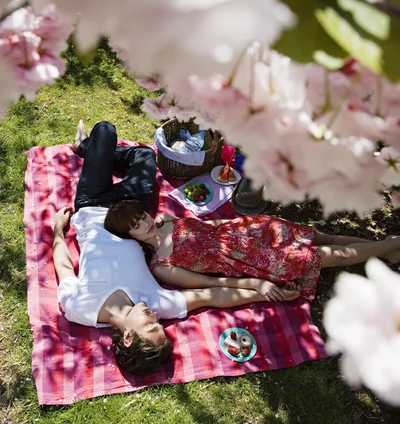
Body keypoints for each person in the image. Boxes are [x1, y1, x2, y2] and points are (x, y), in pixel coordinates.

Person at [53, 121, 301, 376]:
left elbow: (63, 268)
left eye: (150, 327)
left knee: (105, 131)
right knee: (145, 154)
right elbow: (211, 296)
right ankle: (90, 149)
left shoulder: (79, 308)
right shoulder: (157, 305)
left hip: (91, 206)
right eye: (159, 325)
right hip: (133, 209)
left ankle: (85, 147)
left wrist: (58, 231)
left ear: (128, 337)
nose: (154, 319)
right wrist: (263, 290)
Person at [104, 204, 400, 302]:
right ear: (129, 236)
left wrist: (248, 222)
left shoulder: (166, 219)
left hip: (247, 232)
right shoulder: (161, 265)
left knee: (321, 236)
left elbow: (213, 225)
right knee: (325, 254)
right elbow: (212, 284)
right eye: (134, 226)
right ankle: (390, 244)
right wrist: (257, 285)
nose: (143, 223)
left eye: (140, 216)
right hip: (250, 261)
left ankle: (387, 249)